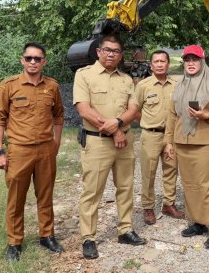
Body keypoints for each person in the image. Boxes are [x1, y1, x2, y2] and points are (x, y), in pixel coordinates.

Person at [73, 35, 146, 260]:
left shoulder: (126, 79)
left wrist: (121, 126)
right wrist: (115, 131)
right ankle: (89, 238)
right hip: (97, 142)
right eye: (107, 50)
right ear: (98, 52)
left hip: (124, 142)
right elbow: (84, 110)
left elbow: (133, 108)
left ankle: (125, 229)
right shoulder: (84, 75)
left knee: (125, 187)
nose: (111, 54)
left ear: (120, 55)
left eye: (116, 51)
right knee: (92, 191)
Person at [0, 42, 65, 261]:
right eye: (29, 58)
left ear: (44, 61)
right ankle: (14, 242)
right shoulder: (9, 86)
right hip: (19, 150)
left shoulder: (52, 86)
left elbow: (59, 115)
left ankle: (47, 235)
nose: (33, 62)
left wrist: (56, 144)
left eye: (38, 58)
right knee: (16, 198)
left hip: (45, 150)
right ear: (22, 60)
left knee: (45, 195)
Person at [164, 45, 209, 249]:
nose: (191, 63)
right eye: (187, 60)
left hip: (205, 142)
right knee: (189, 184)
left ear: (202, 61)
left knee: (205, 184)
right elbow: (172, 115)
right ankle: (199, 222)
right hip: (182, 142)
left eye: (195, 59)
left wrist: (206, 115)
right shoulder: (180, 85)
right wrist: (168, 141)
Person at [134, 50, 184, 225]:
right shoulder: (143, 85)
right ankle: (148, 208)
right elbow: (134, 110)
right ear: (151, 65)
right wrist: (148, 122)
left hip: (171, 136)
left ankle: (168, 204)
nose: (160, 64)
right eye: (156, 61)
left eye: (163, 61)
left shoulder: (178, 84)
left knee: (171, 170)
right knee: (148, 173)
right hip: (151, 135)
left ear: (168, 64)